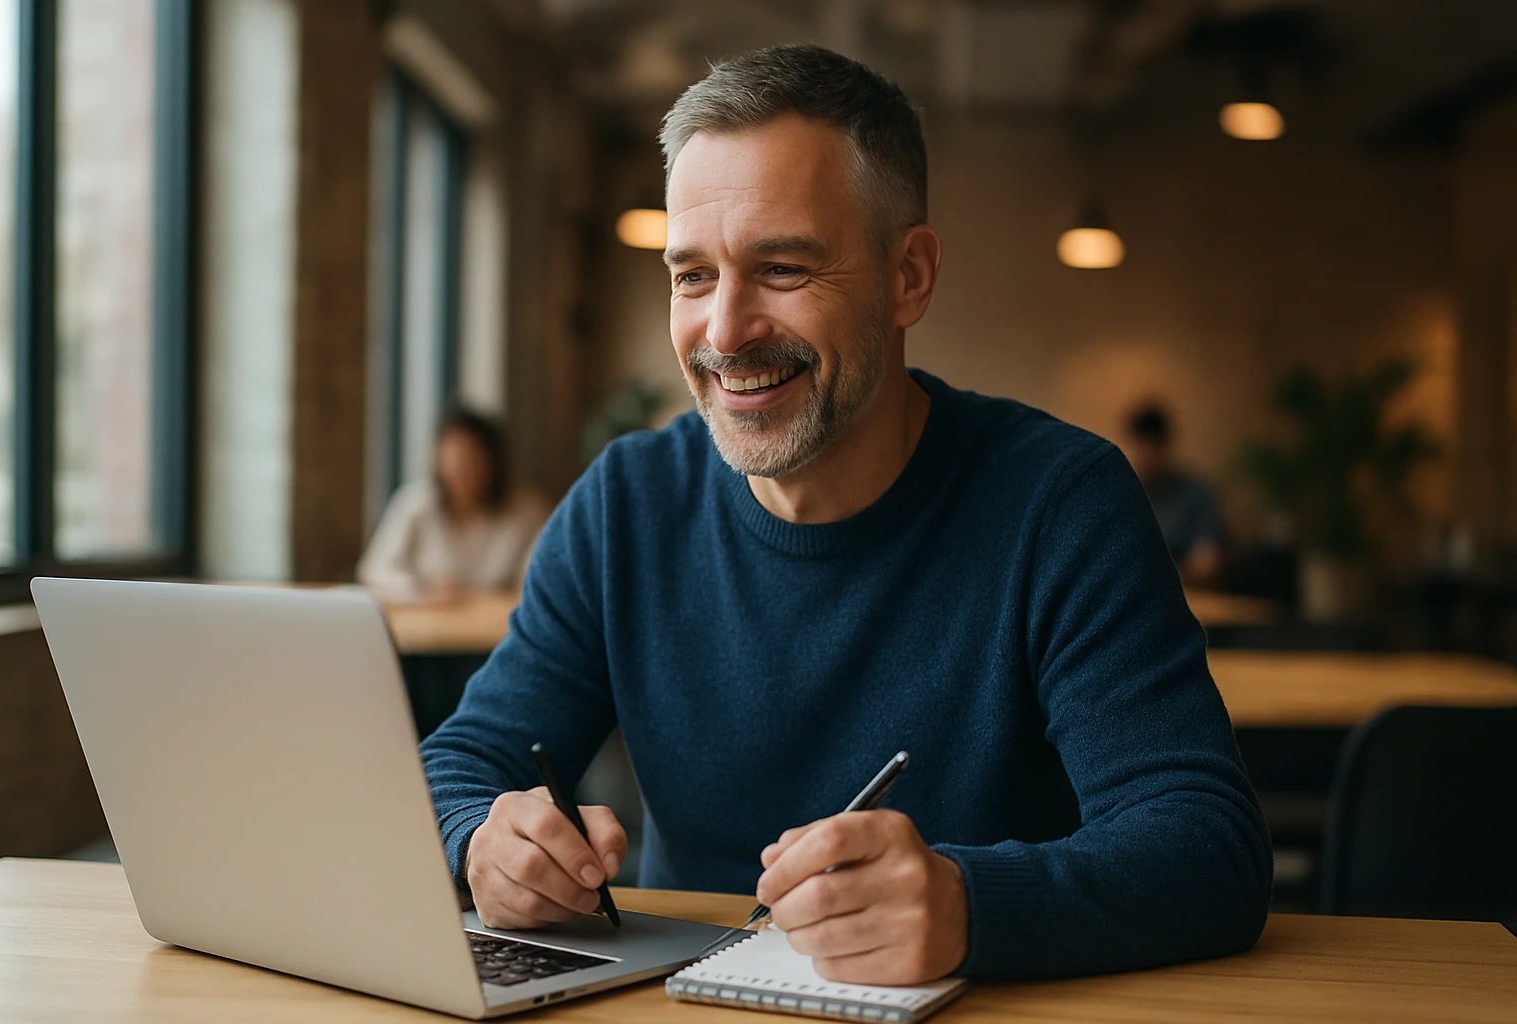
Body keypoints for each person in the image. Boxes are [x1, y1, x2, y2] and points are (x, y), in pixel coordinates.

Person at [421, 45, 1270, 985]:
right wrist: (480, 842)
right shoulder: (626, 504)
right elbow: (459, 761)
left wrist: (968, 905)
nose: (725, 332)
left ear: (909, 275)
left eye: (782, 267)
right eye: (692, 275)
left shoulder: (1061, 503)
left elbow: (1209, 846)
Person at [358, 407, 547, 603]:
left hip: (499, 626)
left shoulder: (527, 511)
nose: (460, 467)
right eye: (453, 456)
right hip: (426, 624)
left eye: (471, 457)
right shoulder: (415, 503)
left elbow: (538, 578)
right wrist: (422, 589)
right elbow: (375, 570)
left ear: (492, 460)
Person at [1123, 403, 1226, 588]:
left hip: (1182, 593)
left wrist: (1166, 576)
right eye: (1139, 447)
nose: (1145, 456)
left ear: (1164, 447)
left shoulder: (1193, 493)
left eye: (1151, 449)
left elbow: (1207, 561)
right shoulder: (1120, 492)